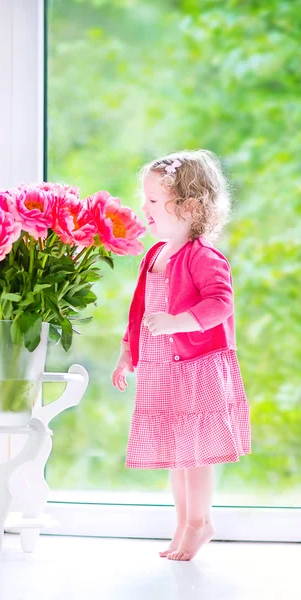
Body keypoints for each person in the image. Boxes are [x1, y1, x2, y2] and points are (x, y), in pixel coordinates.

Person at [111, 149, 251, 561]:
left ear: (190, 206)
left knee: (195, 455)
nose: (144, 208)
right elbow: (138, 312)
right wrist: (126, 354)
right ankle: (182, 521)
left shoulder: (203, 256)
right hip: (162, 371)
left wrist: (178, 322)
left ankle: (199, 523)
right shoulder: (154, 255)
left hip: (196, 370)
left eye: (154, 200)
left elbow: (220, 303)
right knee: (177, 455)